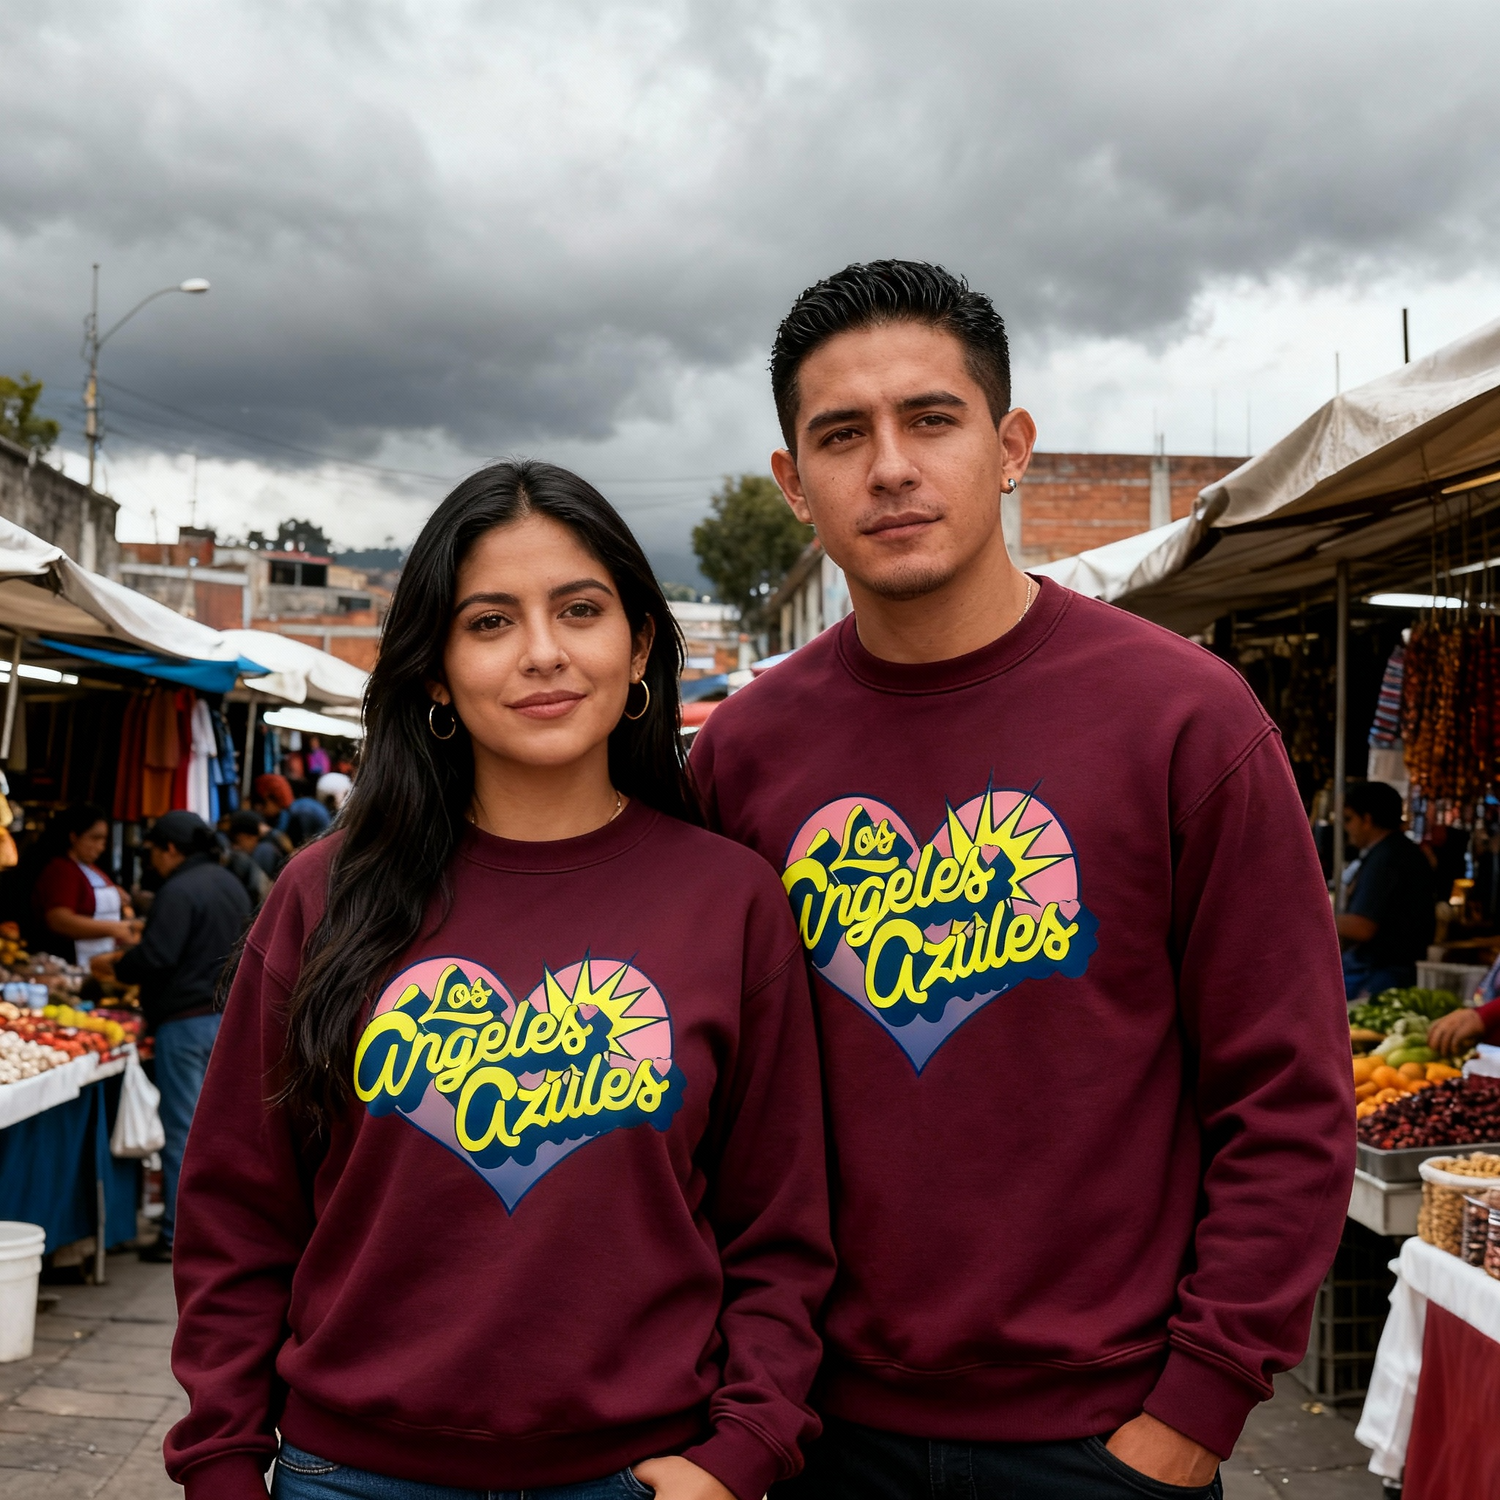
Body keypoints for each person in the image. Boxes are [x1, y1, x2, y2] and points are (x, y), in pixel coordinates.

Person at [689, 261, 1355, 1499]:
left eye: (931, 420)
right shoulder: (742, 756)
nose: (889, 467)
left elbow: (1289, 1092)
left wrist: (1196, 1408)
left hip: (1107, 1444)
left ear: (1011, 448)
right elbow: (704, 1100)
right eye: (843, 435)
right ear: (794, 485)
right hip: (816, 1434)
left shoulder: (1186, 722)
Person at [166, 461, 833, 1500]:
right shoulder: (321, 897)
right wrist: (219, 1467)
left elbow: (778, 1229)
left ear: (640, 642)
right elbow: (236, 1216)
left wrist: (743, 1451)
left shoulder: (732, 901)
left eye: (580, 610)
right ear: (435, 670)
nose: (542, 654)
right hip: (349, 1476)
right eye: (489, 623)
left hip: (641, 1479)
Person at [103, 810, 251, 1263]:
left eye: (152, 851)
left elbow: (158, 956)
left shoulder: (178, 890)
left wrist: (116, 967)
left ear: (170, 849)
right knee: (216, 1131)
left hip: (185, 1025)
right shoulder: (229, 884)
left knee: (182, 1133)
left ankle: (176, 1234)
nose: (152, 860)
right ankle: (214, 1231)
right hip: (225, 1020)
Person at [1336, 780, 1436, 1000]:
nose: (1346, 827)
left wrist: (1312, 918)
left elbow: (1363, 927)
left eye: (1349, 819)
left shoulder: (1386, 858)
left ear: (1367, 819)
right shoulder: (1398, 851)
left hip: (1382, 974)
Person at [31, 803, 139, 965]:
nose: (101, 847)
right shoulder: (61, 870)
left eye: (104, 840)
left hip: (103, 956)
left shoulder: (94, 870)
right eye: (95, 838)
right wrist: (116, 929)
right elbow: (59, 920)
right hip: (71, 961)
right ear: (74, 836)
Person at [250, 772, 330, 849]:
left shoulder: (301, 812)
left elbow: (303, 847)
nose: (259, 808)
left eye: (262, 802)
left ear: (271, 799)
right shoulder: (293, 810)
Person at [222, 811, 274, 908]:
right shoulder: (242, 861)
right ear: (244, 837)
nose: (255, 844)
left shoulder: (221, 856)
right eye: (255, 839)